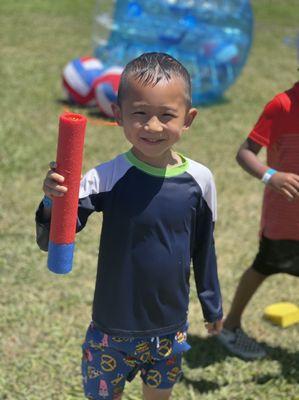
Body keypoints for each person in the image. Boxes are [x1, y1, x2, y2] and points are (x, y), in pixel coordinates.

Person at [36, 52, 223, 400]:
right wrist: (53, 199)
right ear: (118, 114)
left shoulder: (200, 180)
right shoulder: (106, 177)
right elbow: (56, 237)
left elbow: (204, 247)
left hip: (169, 329)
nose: (152, 126)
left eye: (167, 115)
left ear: (188, 119)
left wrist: (212, 306)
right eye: (140, 113)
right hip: (111, 330)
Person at [217, 80, 299, 360]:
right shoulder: (282, 106)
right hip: (285, 220)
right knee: (264, 266)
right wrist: (270, 176)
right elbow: (245, 153)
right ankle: (230, 326)